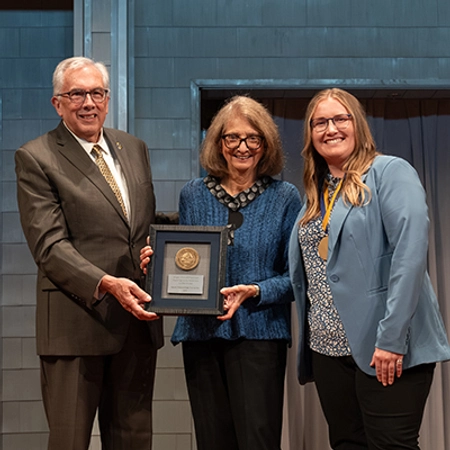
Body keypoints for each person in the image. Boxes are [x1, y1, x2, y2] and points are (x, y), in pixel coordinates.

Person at [15, 56, 163, 450]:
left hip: (135, 325)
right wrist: (105, 282)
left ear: (108, 99)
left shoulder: (134, 148)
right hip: (74, 324)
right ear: (57, 103)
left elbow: (142, 224)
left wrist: (161, 250)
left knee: (134, 441)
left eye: (96, 93)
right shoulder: (36, 156)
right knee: (69, 442)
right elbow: (48, 245)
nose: (88, 103)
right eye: (76, 94)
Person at [289, 88, 450, 449]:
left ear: (357, 124)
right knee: (347, 444)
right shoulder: (315, 192)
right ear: (310, 134)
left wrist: (391, 339)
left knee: (391, 444)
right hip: (328, 349)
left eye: (340, 118)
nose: (330, 128)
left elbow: (409, 257)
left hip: (385, 347)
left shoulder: (389, 172)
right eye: (320, 122)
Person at [141, 96, 302, 450]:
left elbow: (296, 278)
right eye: (232, 138)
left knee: (257, 441)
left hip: (259, 336)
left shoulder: (285, 197)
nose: (242, 147)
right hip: (202, 335)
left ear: (266, 144)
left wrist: (255, 291)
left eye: (252, 138)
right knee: (212, 441)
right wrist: (158, 265)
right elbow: (186, 261)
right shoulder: (194, 195)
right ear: (218, 143)